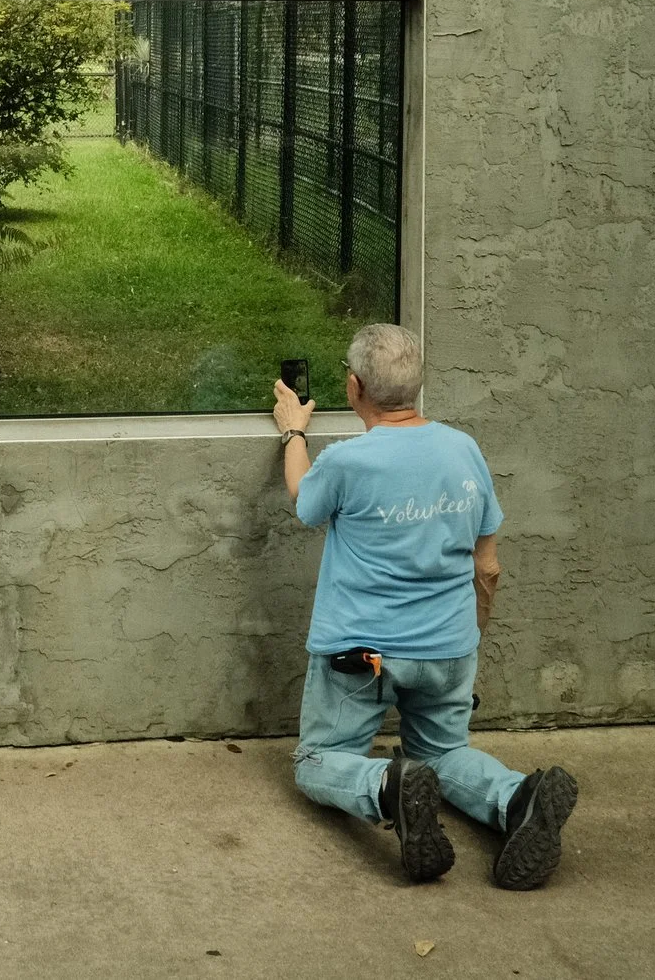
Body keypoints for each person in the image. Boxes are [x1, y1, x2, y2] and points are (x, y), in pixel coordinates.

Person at [273, 322, 577, 888]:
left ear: (354, 386)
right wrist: (470, 633)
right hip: (449, 647)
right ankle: (517, 798)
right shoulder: (464, 450)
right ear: (416, 385)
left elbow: (303, 500)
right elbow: (488, 565)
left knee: (317, 760)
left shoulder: (348, 461)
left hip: (361, 657)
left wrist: (294, 433)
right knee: (445, 752)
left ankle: (385, 787)